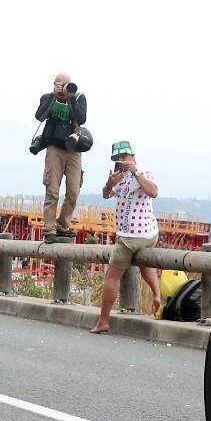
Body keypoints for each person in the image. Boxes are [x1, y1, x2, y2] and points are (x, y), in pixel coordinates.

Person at [90, 141, 162, 334]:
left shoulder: (143, 172)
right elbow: (106, 195)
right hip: (149, 234)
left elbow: (154, 192)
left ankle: (103, 321)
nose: (121, 161)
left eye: (123, 157)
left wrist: (136, 172)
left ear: (132, 156)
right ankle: (157, 296)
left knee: (112, 277)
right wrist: (109, 184)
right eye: (117, 159)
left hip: (131, 235)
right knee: (145, 263)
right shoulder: (119, 178)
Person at [35, 72, 88, 242]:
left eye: (66, 84)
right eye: (59, 84)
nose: (63, 87)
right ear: (54, 84)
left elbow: (82, 119)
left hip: (74, 148)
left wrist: (70, 97)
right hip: (54, 147)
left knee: (73, 191)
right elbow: (39, 116)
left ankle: (62, 225)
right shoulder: (48, 97)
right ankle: (49, 229)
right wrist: (53, 96)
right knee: (52, 190)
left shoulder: (78, 97)